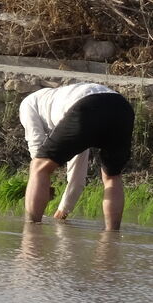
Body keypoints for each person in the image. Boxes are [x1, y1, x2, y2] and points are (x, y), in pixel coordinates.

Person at [18, 82, 134, 227]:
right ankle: (112, 237)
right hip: (122, 108)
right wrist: (63, 211)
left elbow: (36, 148)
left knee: (38, 167)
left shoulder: (28, 103)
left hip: (87, 105)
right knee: (112, 176)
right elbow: (78, 175)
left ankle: (31, 230)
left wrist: (43, 179)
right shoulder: (60, 100)